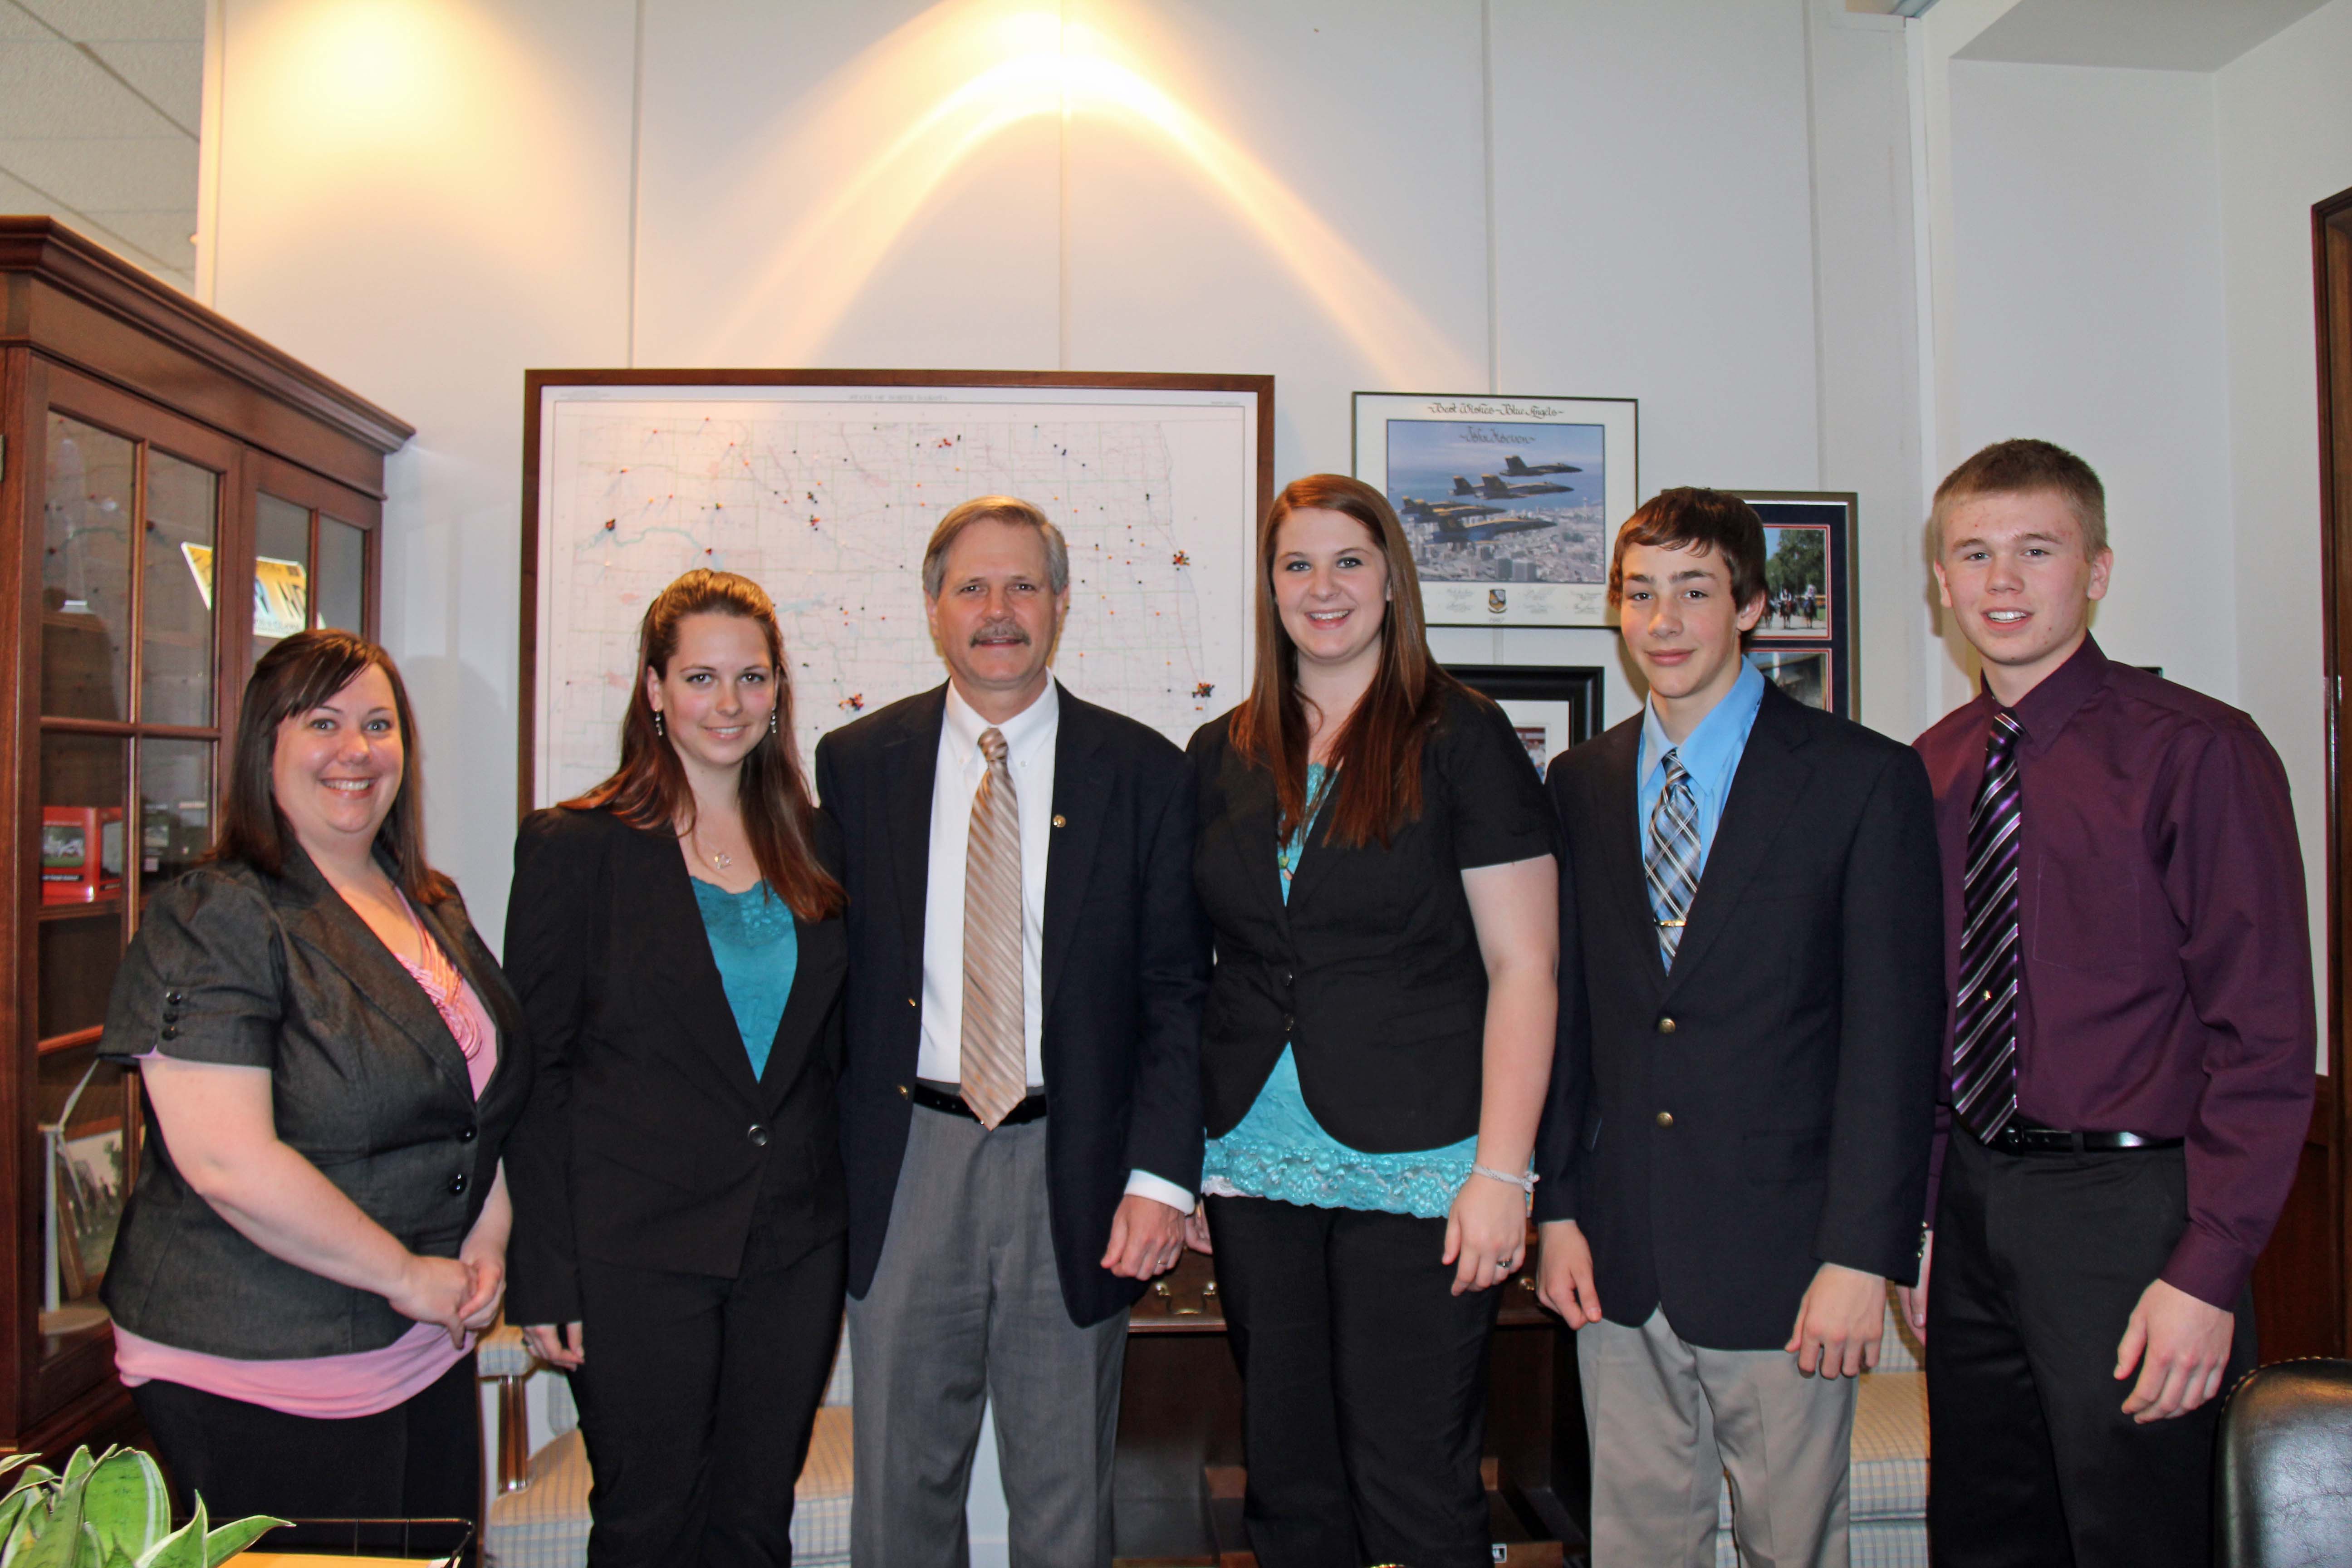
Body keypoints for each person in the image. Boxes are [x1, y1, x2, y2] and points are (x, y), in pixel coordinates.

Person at [1908, 440, 2313, 1566]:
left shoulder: (2201, 753)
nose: (2001, 582)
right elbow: (1934, 1021)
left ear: (2096, 571)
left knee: (2143, 1537)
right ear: (1941, 581)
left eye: (2036, 551)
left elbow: (2266, 1037)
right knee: (1988, 1535)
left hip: (2137, 1211)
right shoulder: (1934, 768)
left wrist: (2207, 1268)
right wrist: (1935, 1221)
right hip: (1979, 1207)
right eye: (1974, 554)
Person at [1534, 487, 1944, 1568]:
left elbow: (1894, 1044)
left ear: (1754, 606)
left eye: (1696, 592)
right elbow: (1567, 1019)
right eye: (1641, 594)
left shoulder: (1865, 780)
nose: (1664, 622)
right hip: (1618, 1255)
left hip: (1791, 1263)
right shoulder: (1576, 784)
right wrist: (1559, 1213)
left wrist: (1864, 1254)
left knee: (1791, 1550)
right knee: (1634, 1548)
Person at [813, 496, 1209, 1568]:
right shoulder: (855, 765)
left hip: (1076, 1171)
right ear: (934, 609)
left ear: (1064, 606)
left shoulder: (1143, 772)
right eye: (972, 587)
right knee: (899, 1503)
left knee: (1066, 1503)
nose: (999, 610)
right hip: (907, 1164)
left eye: (1023, 585)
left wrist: (1162, 1180)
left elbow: (1179, 992)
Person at [1185, 474, 1558, 1568]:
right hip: (1257, 1161)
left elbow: (1524, 964)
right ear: (1269, 589)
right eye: (1297, 565)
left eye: (1349, 561)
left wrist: (1504, 1174)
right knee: (1291, 1484)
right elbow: (1208, 969)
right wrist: (1196, 1158)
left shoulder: (1463, 736)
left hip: (1426, 1161)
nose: (1323, 587)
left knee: (1416, 1479)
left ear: (1392, 580)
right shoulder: (1222, 751)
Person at [96, 630, 528, 1543]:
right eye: (323, 723)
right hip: (263, 1364)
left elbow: (474, 1100)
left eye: (378, 724)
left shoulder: (427, 900)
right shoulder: (217, 914)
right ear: (267, 746)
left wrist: (487, 1235)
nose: (355, 750)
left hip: (419, 1345)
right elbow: (226, 1161)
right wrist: (407, 1275)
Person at [504, 569, 850, 1567]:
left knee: (754, 1521)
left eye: (752, 677)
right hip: (632, 1252)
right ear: (653, 688)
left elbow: (830, 1055)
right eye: (701, 677)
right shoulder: (577, 848)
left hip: (791, 1246)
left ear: (779, 689)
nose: (730, 704)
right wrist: (546, 1272)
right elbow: (539, 1074)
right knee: (648, 1521)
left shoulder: (819, 844)